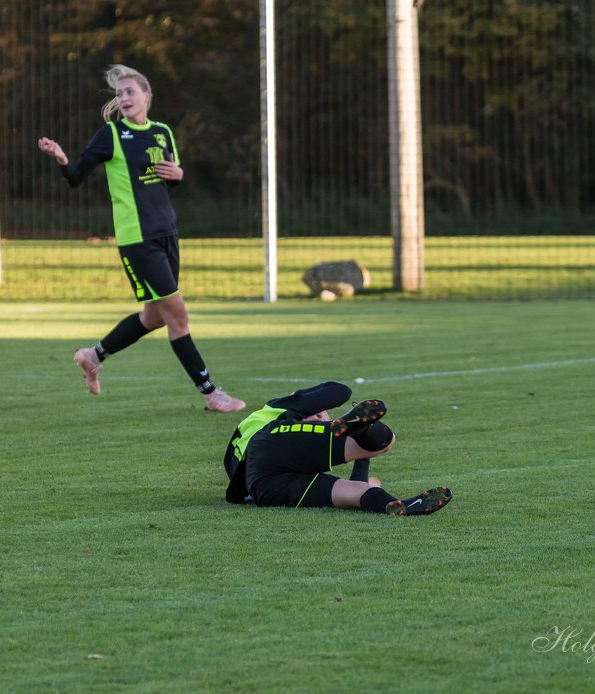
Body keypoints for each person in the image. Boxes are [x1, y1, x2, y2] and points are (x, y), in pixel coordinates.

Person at [37, 64, 245, 413]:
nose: (124, 98)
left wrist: (179, 174)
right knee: (177, 315)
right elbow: (75, 177)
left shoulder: (162, 132)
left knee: (156, 316)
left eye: (130, 92)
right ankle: (211, 393)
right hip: (138, 239)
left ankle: (93, 356)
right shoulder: (111, 135)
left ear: (147, 96)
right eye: (119, 94)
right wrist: (61, 159)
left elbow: (171, 173)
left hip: (167, 232)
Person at [223, 382, 453, 516]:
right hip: (267, 444)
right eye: (319, 413)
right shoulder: (280, 408)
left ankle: (395, 505)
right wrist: (305, 399)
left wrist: (366, 469)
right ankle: (360, 430)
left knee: (352, 493)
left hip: (260, 487)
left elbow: (360, 483)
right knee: (387, 440)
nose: (317, 417)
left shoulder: (263, 429)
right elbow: (340, 391)